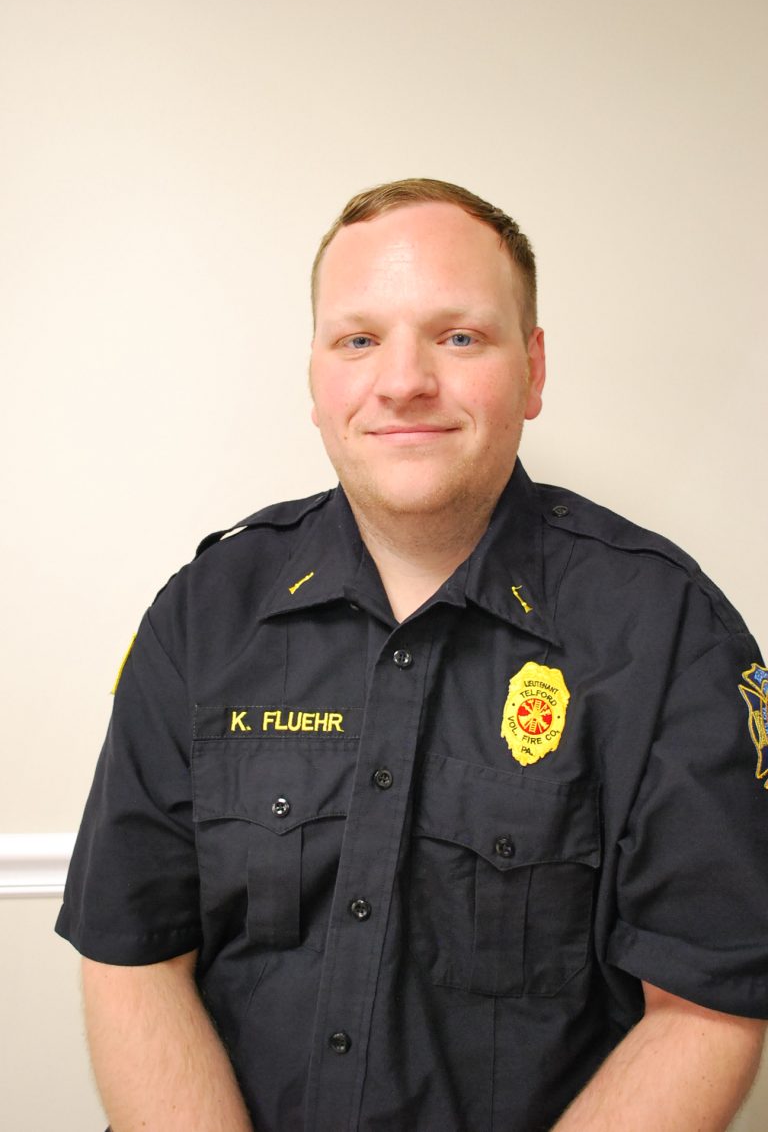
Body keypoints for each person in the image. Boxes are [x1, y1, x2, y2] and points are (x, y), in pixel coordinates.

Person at [57, 178, 768, 1132]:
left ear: (534, 368)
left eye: (459, 336)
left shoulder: (671, 630)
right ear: (316, 375)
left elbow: (708, 1004)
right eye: (359, 339)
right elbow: (133, 951)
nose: (403, 381)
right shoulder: (202, 615)